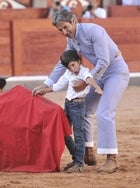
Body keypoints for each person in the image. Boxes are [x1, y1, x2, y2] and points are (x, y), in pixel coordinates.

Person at [32, 9, 130, 173]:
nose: (64, 32)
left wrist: (85, 83)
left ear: (74, 21)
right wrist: (46, 84)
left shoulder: (94, 31)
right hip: (97, 75)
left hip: (116, 73)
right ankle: (88, 151)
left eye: (65, 27)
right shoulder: (72, 39)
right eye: (60, 30)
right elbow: (62, 63)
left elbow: (104, 61)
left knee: (104, 113)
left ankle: (111, 159)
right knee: (84, 110)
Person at [34, 50, 103, 173]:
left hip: (78, 105)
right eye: (68, 67)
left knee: (78, 134)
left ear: (78, 61)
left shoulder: (84, 71)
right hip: (68, 105)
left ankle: (79, 164)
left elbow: (89, 79)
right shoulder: (68, 73)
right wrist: (44, 90)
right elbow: (57, 86)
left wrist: (96, 87)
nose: (71, 69)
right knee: (63, 131)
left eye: (73, 65)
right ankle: (76, 158)